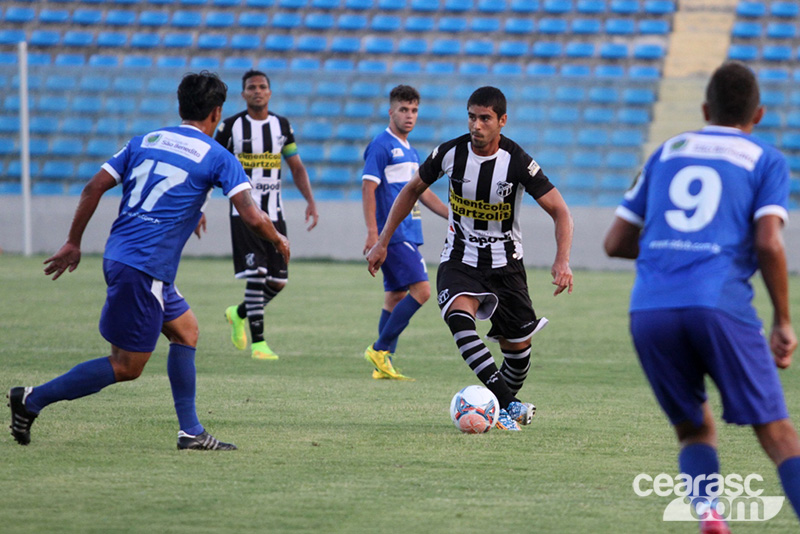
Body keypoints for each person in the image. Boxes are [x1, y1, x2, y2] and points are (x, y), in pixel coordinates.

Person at [8, 72, 290, 450]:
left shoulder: (146, 140)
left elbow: (93, 187)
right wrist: (278, 239)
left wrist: (74, 242)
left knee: (186, 331)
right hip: (145, 267)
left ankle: (190, 431)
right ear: (218, 112)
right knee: (127, 366)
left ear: (181, 105)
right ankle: (31, 400)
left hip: (125, 256)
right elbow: (253, 216)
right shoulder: (218, 156)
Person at [603, 62, 800, 532]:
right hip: (718, 304)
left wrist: (667, 254)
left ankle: (710, 513)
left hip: (649, 309)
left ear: (706, 109)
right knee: (778, 434)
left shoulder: (668, 151)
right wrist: (783, 321)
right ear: (759, 114)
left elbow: (615, 242)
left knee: (694, 427)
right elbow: (769, 242)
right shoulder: (765, 158)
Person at [367, 86, 574, 430]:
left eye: (485, 119)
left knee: (519, 355)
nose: (476, 126)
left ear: (502, 121)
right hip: (459, 258)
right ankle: (510, 406)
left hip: (506, 265)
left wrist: (562, 260)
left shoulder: (518, 161)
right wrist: (382, 241)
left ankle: (495, 408)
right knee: (459, 318)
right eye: (472, 117)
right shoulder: (449, 153)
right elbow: (411, 190)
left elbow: (561, 211)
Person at [215, 70, 318, 361]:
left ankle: (239, 313)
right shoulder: (230, 127)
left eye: (262, 87)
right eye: (251, 87)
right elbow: (211, 166)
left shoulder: (281, 126)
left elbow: (296, 166)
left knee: (278, 281)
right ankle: (259, 344)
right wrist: (199, 208)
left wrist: (310, 200)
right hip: (244, 213)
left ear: (269, 92)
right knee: (257, 276)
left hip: (275, 212)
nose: (257, 91)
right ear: (243, 93)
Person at [362, 85, 448, 381]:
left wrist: (454, 215)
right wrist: (374, 234)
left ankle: (383, 364)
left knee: (395, 295)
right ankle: (380, 348)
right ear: (391, 112)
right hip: (394, 233)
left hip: (409, 231)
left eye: (413, 110)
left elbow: (421, 194)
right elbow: (368, 187)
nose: (409, 116)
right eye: (403, 109)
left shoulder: (410, 150)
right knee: (423, 291)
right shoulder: (381, 145)